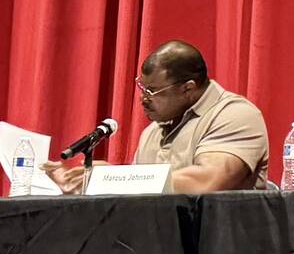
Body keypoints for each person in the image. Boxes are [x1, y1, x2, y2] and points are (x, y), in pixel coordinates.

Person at [48, 40, 269, 194]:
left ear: (187, 88)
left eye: (152, 91)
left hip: (220, 252)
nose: (143, 98)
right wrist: (92, 183)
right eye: (142, 88)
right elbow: (140, 194)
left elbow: (209, 180)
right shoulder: (153, 131)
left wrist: (116, 178)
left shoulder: (234, 115)